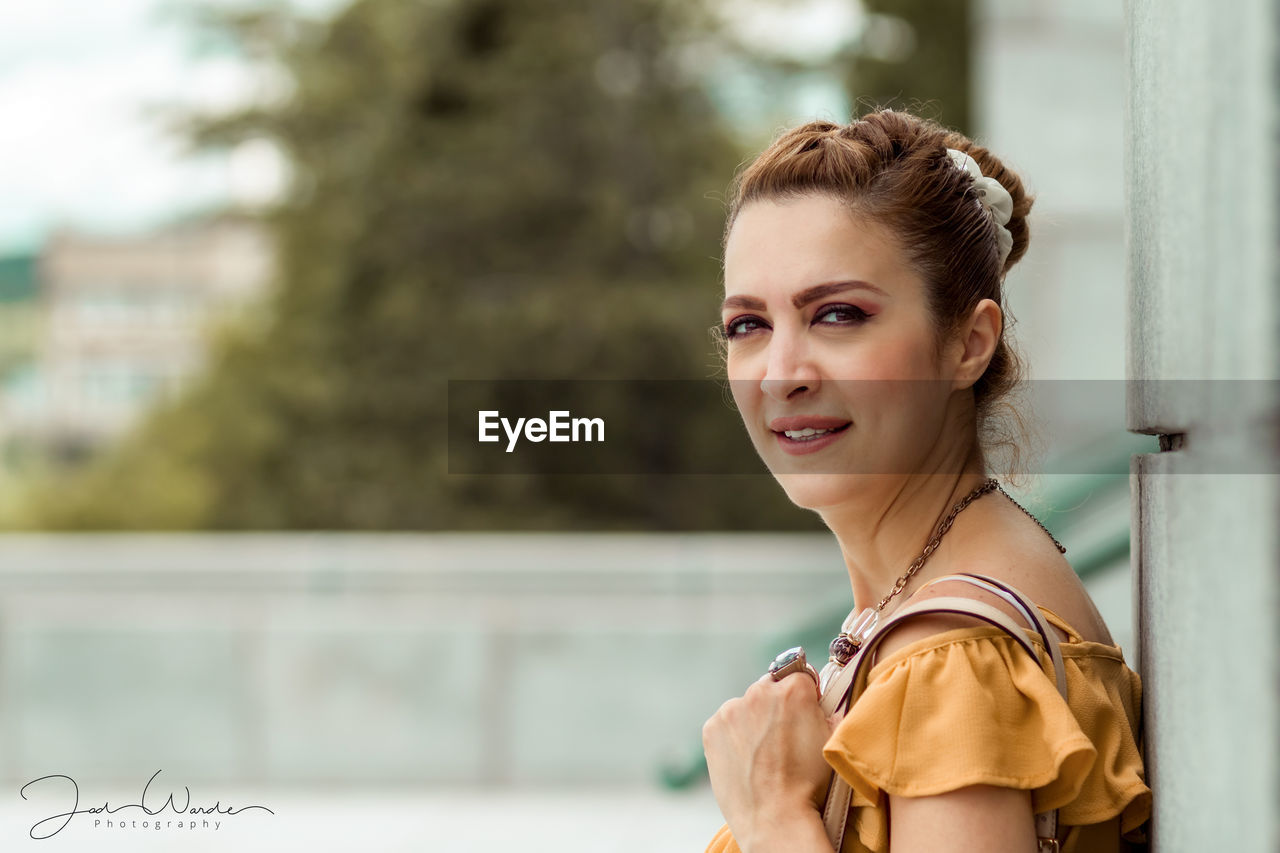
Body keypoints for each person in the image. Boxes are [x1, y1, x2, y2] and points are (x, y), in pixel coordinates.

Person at [700, 110, 1151, 853]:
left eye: (838, 314)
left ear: (968, 344)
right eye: (749, 324)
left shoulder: (955, 661)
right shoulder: (937, 608)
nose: (782, 373)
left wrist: (775, 815)